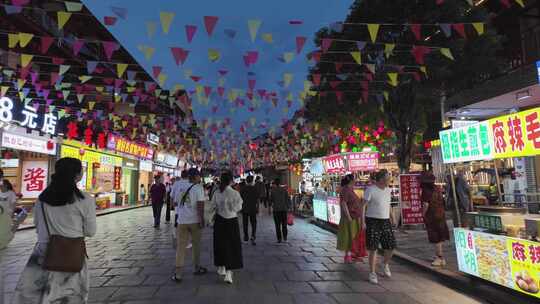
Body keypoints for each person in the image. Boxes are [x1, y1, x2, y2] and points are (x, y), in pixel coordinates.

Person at [12, 157, 96, 303]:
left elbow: (38, 227)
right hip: (72, 255)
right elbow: (90, 231)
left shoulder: (42, 199)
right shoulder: (85, 199)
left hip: (43, 255)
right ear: (76, 175)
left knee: (41, 297)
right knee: (69, 297)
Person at [172, 168, 207, 282]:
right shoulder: (198, 188)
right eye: (198, 176)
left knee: (181, 247)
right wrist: (202, 220)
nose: (200, 178)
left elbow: (175, 203)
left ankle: (178, 274)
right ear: (195, 176)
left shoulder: (179, 186)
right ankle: (197, 268)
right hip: (194, 221)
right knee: (196, 245)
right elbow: (200, 206)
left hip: (182, 221)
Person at [364, 170, 395, 285]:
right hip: (372, 220)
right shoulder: (370, 189)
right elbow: (363, 206)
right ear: (382, 179)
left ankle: (384, 264)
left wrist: (392, 217)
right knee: (373, 248)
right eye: (388, 178)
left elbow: (388, 204)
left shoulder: (388, 190)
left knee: (391, 246)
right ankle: (372, 273)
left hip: (385, 220)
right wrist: (363, 222)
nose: (389, 180)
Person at [212, 171, 243, 284]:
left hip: (219, 221)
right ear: (231, 181)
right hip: (231, 222)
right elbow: (238, 208)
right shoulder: (235, 193)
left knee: (220, 244)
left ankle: (221, 267)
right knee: (232, 245)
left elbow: (213, 206)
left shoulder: (217, 192)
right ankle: (229, 273)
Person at [421, 172, 450, 267]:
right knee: (440, 237)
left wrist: (423, 214)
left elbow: (426, 205)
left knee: (436, 238)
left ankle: (440, 258)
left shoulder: (426, 191)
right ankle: (439, 256)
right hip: (440, 215)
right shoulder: (437, 188)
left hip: (432, 216)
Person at [337, 174, 366, 263]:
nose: (356, 180)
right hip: (350, 218)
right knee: (349, 236)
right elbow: (343, 203)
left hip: (355, 217)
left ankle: (353, 254)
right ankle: (348, 255)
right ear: (351, 180)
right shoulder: (346, 190)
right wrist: (348, 216)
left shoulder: (350, 189)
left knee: (354, 236)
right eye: (355, 179)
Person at [269, 178, 291, 243]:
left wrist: (269, 209)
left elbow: (270, 201)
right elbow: (288, 199)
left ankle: (279, 239)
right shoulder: (284, 190)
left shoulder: (273, 191)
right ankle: (285, 237)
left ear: (275, 183)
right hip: (284, 209)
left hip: (276, 210)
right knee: (284, 224)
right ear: (280, 183)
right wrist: (288, 207)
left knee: (277, 225)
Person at [240, 176, 259, 245]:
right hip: (253, 208)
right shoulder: (255, 188)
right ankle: (253, 236)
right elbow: (257, 199)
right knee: (253, 223)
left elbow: (240, 198)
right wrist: (258, 208)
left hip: (244, 208)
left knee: (245, 223)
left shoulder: (243, 189)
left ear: (246, 181)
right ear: (252, 181)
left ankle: (246, 238)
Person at [0, 179, 18, 249]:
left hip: (7, 214)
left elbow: (13, 204)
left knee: (5, 228)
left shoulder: (11, 193)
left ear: (6, 185)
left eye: (2, 185)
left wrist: (12, 213)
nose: (1, 187)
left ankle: (4, 242)